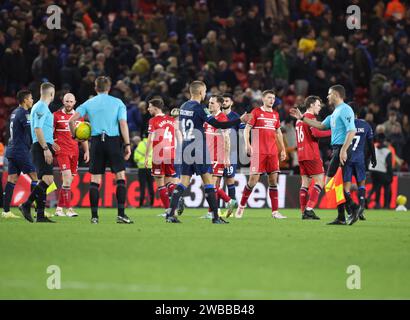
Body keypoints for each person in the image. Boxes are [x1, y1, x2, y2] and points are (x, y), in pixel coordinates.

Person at [165, 80, 251, 224]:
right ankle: (215, 218)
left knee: (183, 183)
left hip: (187, 147)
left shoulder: (183, 106)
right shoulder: (200, 108)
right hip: (199, 148)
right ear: (200, 92)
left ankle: (170, 215)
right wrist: (238, 121)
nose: (205, 94)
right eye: (205, 92)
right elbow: (216, 124)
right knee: (209, 183)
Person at [290, 85, 358, 225]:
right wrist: (302, 118)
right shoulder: (334, 113)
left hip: (341, 149)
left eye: (329, 94)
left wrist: (344, 150)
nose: (327, 97)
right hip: (336, 149)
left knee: (330, 183)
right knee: (334, 184)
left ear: (337, 94)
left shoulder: (345, 109)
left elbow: (352, 130)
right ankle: (342, 216)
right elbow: (320, 126)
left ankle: (354, 208)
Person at [68, 76, 132, 224]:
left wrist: (74, 136)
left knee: (95, 180)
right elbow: (123, 123)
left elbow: (72, 120)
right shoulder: (118, 103)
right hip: (113, 141)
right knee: (120, 177)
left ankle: (94, 217)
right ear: (109, 88)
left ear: (95, 88)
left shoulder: (89, 103)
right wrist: (127, 144)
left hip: (96, 142)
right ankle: (121, 215)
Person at [235, 90, 287, 219]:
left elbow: (278, 133)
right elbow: (247, 129)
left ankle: (275, 212)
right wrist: (247, 144)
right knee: (253, 181)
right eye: (269, 98)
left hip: (272, 152)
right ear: (263, 99)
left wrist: (283, 149)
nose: (272, 100)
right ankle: (241, 207)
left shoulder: (275, 115)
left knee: (273, 181)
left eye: (273, 98)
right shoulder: (256, 112)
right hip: (259, 151)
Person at [18, 83, 58, 223]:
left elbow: (43, 129)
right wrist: (46, 149)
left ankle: (40, 215)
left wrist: (52, 142)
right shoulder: (41, 107)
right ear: (51, 94)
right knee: (48, 180)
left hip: (44, 144)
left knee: (44, 180)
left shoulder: (41, 107)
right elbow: (37, 129)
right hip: (41, 147)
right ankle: (26, 204)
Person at [2, 90, 38, 219]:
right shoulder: (24, 113)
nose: (32, 100)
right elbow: (30, 131)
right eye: (31, 98)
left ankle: (6, 212)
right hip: (20, 150)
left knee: (12, 179)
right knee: (35, 176)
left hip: (11, 149)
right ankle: (36, 209)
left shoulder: (14, 112)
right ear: (25, 100)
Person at [53, 93, 89, 217]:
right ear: (63, 101)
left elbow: (83, 136)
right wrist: (52, 144)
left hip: (75, 152)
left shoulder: (78, 117)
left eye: (71, 102)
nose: (68, 104)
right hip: (62, 152)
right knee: (67, 178)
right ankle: (69, 209)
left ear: (74, 102)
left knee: (67, 182)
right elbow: (49, 132)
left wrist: (87, 151)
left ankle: (58, 208)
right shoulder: (56, 116)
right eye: (66, 101)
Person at [295, 96, 331, 220]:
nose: (319, 107)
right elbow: (316, 133)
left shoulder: (298, 120)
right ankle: (309, 209)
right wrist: (332, 132)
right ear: (311, 105)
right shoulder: (310, 118)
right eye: (318, 105)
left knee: (305, 183)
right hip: (311, 154)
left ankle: (303, 211)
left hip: (301, 154)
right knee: (320, 181)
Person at [203, 95, 237, 219]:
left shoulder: (222, 118)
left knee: (212, 185)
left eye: (212, 103)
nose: (210, 104)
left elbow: (227, 138)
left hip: (217, 156)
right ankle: (228, 202)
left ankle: (213, 211)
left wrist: (227, 157)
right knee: (211, 186)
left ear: (219, 105)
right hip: (208, 156)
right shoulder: (209, 118)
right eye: (209, 102)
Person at [144, 97, 180, 212]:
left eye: (149, 107)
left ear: (155, 108)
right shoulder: (171, 120)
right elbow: (177, 136)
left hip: (158, 155)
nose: (148, 109)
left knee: (160, 183)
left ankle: (168, 211)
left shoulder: (153, 121)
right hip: (171, 154)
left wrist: (146, 156)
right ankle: (178, 198)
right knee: (169, 182)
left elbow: (150, 139)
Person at [343, 104, 377, 220]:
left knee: (346, 187)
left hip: (346, 158)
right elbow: (371, 143)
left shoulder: (345, 124)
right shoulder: (366, 125)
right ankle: (361, 208)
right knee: (361, 185)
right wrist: (373, 157)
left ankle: (351, 210)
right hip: (360, 159)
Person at [221, 93, 243, 204]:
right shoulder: (216, 116)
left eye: (226, 100)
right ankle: (215, 210)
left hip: (231, 153)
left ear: (231, 103)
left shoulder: (236, 117)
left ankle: (232, 205)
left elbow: (243, 131)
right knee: (215, 181)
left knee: (229, 179)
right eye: (223, 101)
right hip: (217, 152)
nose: (224, 102)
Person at [369, 133, 393, 209]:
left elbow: (369, 158)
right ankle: (386, 205)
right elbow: (389, 165)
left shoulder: (374, 147)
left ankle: (376, 203)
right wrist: (391, 176)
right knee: (387, 186)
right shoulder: (387, 151)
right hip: (382, 171)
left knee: (376, 187)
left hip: (372, 170)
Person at [134, 135, 155, 207]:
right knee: (151, 186)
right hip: (151, 167)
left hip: (142, 168)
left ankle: (140, 204)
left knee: (142, 187)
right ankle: (152, 204)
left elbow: (136, 157)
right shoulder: (153, 143)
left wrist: (140, 160)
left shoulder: (141, 144)